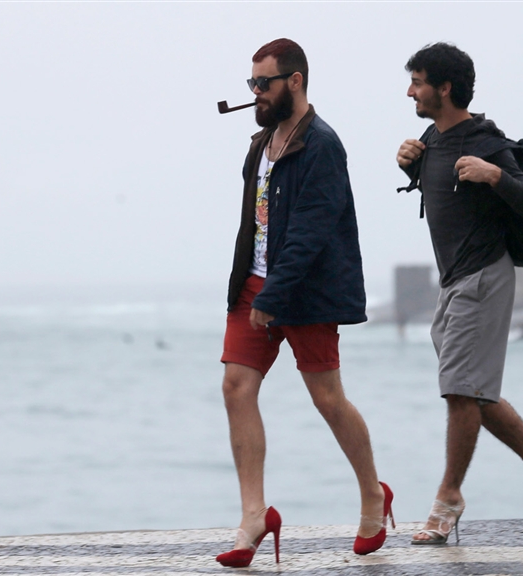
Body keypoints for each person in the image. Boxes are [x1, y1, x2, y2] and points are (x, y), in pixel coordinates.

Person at [396, 42, 523, 545]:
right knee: (475, 393)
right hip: (453, 282)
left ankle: (449, 497)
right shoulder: (432, 139)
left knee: (460, 392)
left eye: (417, 82)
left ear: (445, 88)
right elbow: (449, 199)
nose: (410, 91)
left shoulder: (486, 142)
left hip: (483, 278)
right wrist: (411, 166)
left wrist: (496, 174)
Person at [215, 38, 393, 568]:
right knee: (235, 387)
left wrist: (277, 292)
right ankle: (254, 515)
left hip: (305, 292)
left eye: (263, 83)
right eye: (251, 83)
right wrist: (250, 285)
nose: (255, 92)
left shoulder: (322, 145)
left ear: (294, 81)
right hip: (255, 284)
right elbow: (256, 224)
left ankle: (373, 495)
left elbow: (311, 230)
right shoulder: (261, 142)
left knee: (328, 399)